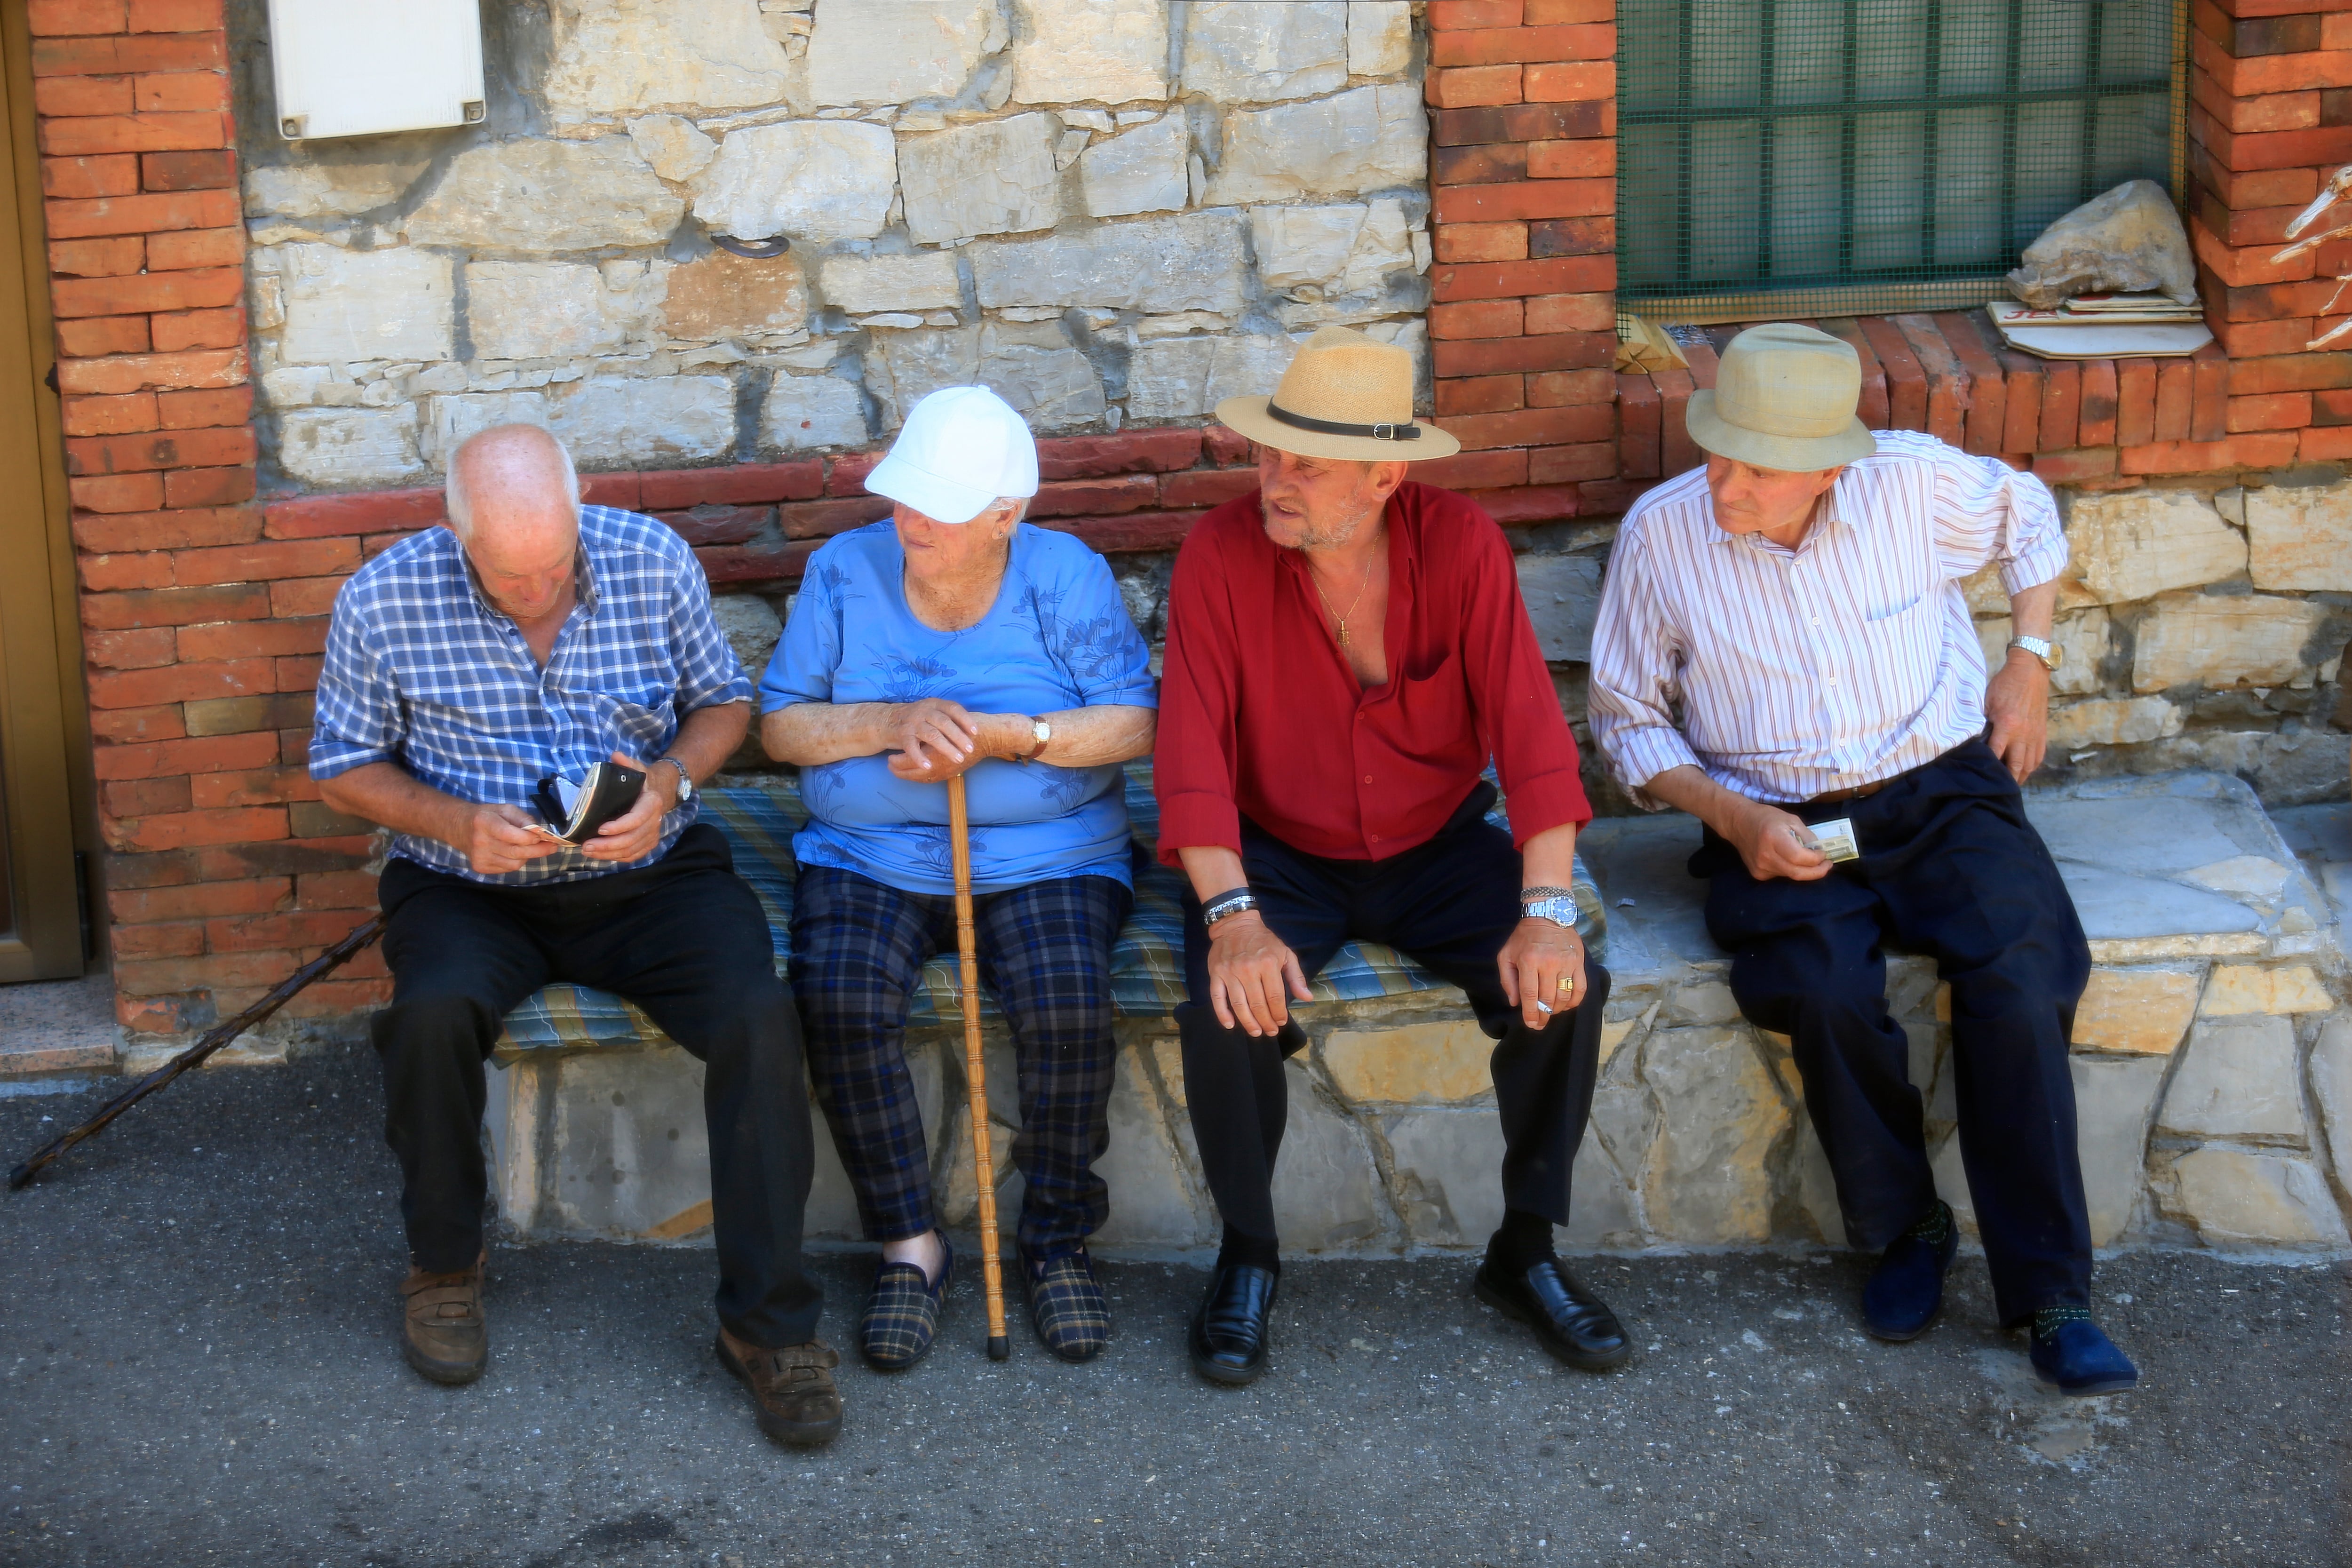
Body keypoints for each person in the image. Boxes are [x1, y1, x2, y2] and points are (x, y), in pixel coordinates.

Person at [1586, 323, 2138, 1396]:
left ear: (1831, 465)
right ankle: (1904, 1226)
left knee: (2021, 974)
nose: (1723, 482)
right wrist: (1736, 820)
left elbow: (2029, 520)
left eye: (1753, 465)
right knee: (1817, 986)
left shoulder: (1913, 484)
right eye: (1716, 451)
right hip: (1773, 811)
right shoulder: (1661, 536)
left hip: (1938, 788)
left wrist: (2028, 661)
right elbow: (1627, 721)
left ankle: (2050, 1291)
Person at [310, 424, 842, 1445]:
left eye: (555, 563)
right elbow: (340, 765)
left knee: (760, 1018)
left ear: (578, 501)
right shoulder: (383, 597)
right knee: (428, 1015)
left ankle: (768, 1325)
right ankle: (443, 1265)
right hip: (469, 883)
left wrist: (670, 781)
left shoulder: (649, 557)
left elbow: (724, 701)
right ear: (454, 531)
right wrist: (453, 821)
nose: (539, 587)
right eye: (510, 574)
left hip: (649, 874)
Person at [1153, 326, 1629, 1385]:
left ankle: (1525, 1249)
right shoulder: (1219, 554)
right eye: (1268, 454)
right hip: (1278, 855)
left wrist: (1545, 902)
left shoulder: (1459, 544)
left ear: (1383, 476)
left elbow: (1532, 738)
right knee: (1222, 999)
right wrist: (1233, 918)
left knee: (1566, 984)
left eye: (1303, 465)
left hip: (1437, 841)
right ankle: (1248, 1251)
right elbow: (1189, 754)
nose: (1273, 480)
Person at [762, 387, 1157, 1369]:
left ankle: (1056, 1238)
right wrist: (892, 718)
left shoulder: (1064, 575)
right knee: (842, 999)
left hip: (1048, 856)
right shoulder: (843, 571)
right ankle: (912, 1244)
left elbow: (1136, 722)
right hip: (869, 855)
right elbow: (780, 724)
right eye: (902, 498)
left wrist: (1009, 737)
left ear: (1006, 514)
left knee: (1068, 1006)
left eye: (934, 506)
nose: (907, 521)